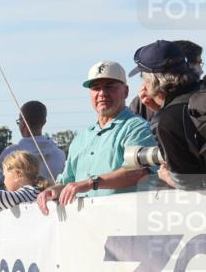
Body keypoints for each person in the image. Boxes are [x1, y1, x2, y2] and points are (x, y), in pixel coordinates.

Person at [37, 61, 156, 215]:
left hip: (125, 224)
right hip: (86, 229)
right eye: (95, 88)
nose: (102, 93)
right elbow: (68, 182)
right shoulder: (81, 138)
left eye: (109, 86)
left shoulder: (137, 128)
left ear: (125, 92)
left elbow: (138, 173)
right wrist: (52, 191)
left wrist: (90, 183)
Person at [130, 40, 206, 190]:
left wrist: (166, 175)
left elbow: (192, 185)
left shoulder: (166, 122)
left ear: (152, 80)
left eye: (143, 77)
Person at [130, 39, 202, 121]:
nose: (143, 84)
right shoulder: (142, 104)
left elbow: (170, 128)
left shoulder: (167, 120)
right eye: (199, 63)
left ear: (154, 81)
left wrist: (161, 113)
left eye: (143, 77)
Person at [0, 100, 66, 182]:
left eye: (19, 121)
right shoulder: (60, 155)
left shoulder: (11, 153)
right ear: (44, 122)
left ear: (23, 124)